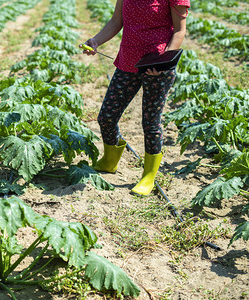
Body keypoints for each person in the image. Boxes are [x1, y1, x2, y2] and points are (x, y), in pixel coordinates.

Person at [81, 0, 190, 195]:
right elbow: (116, 21)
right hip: (128, 61)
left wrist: (164, 61)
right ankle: (110, 160)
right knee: (106, 116)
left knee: (150, 122)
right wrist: (96, 40)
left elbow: (179, 31)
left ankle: (148, 175)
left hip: (156, 67)